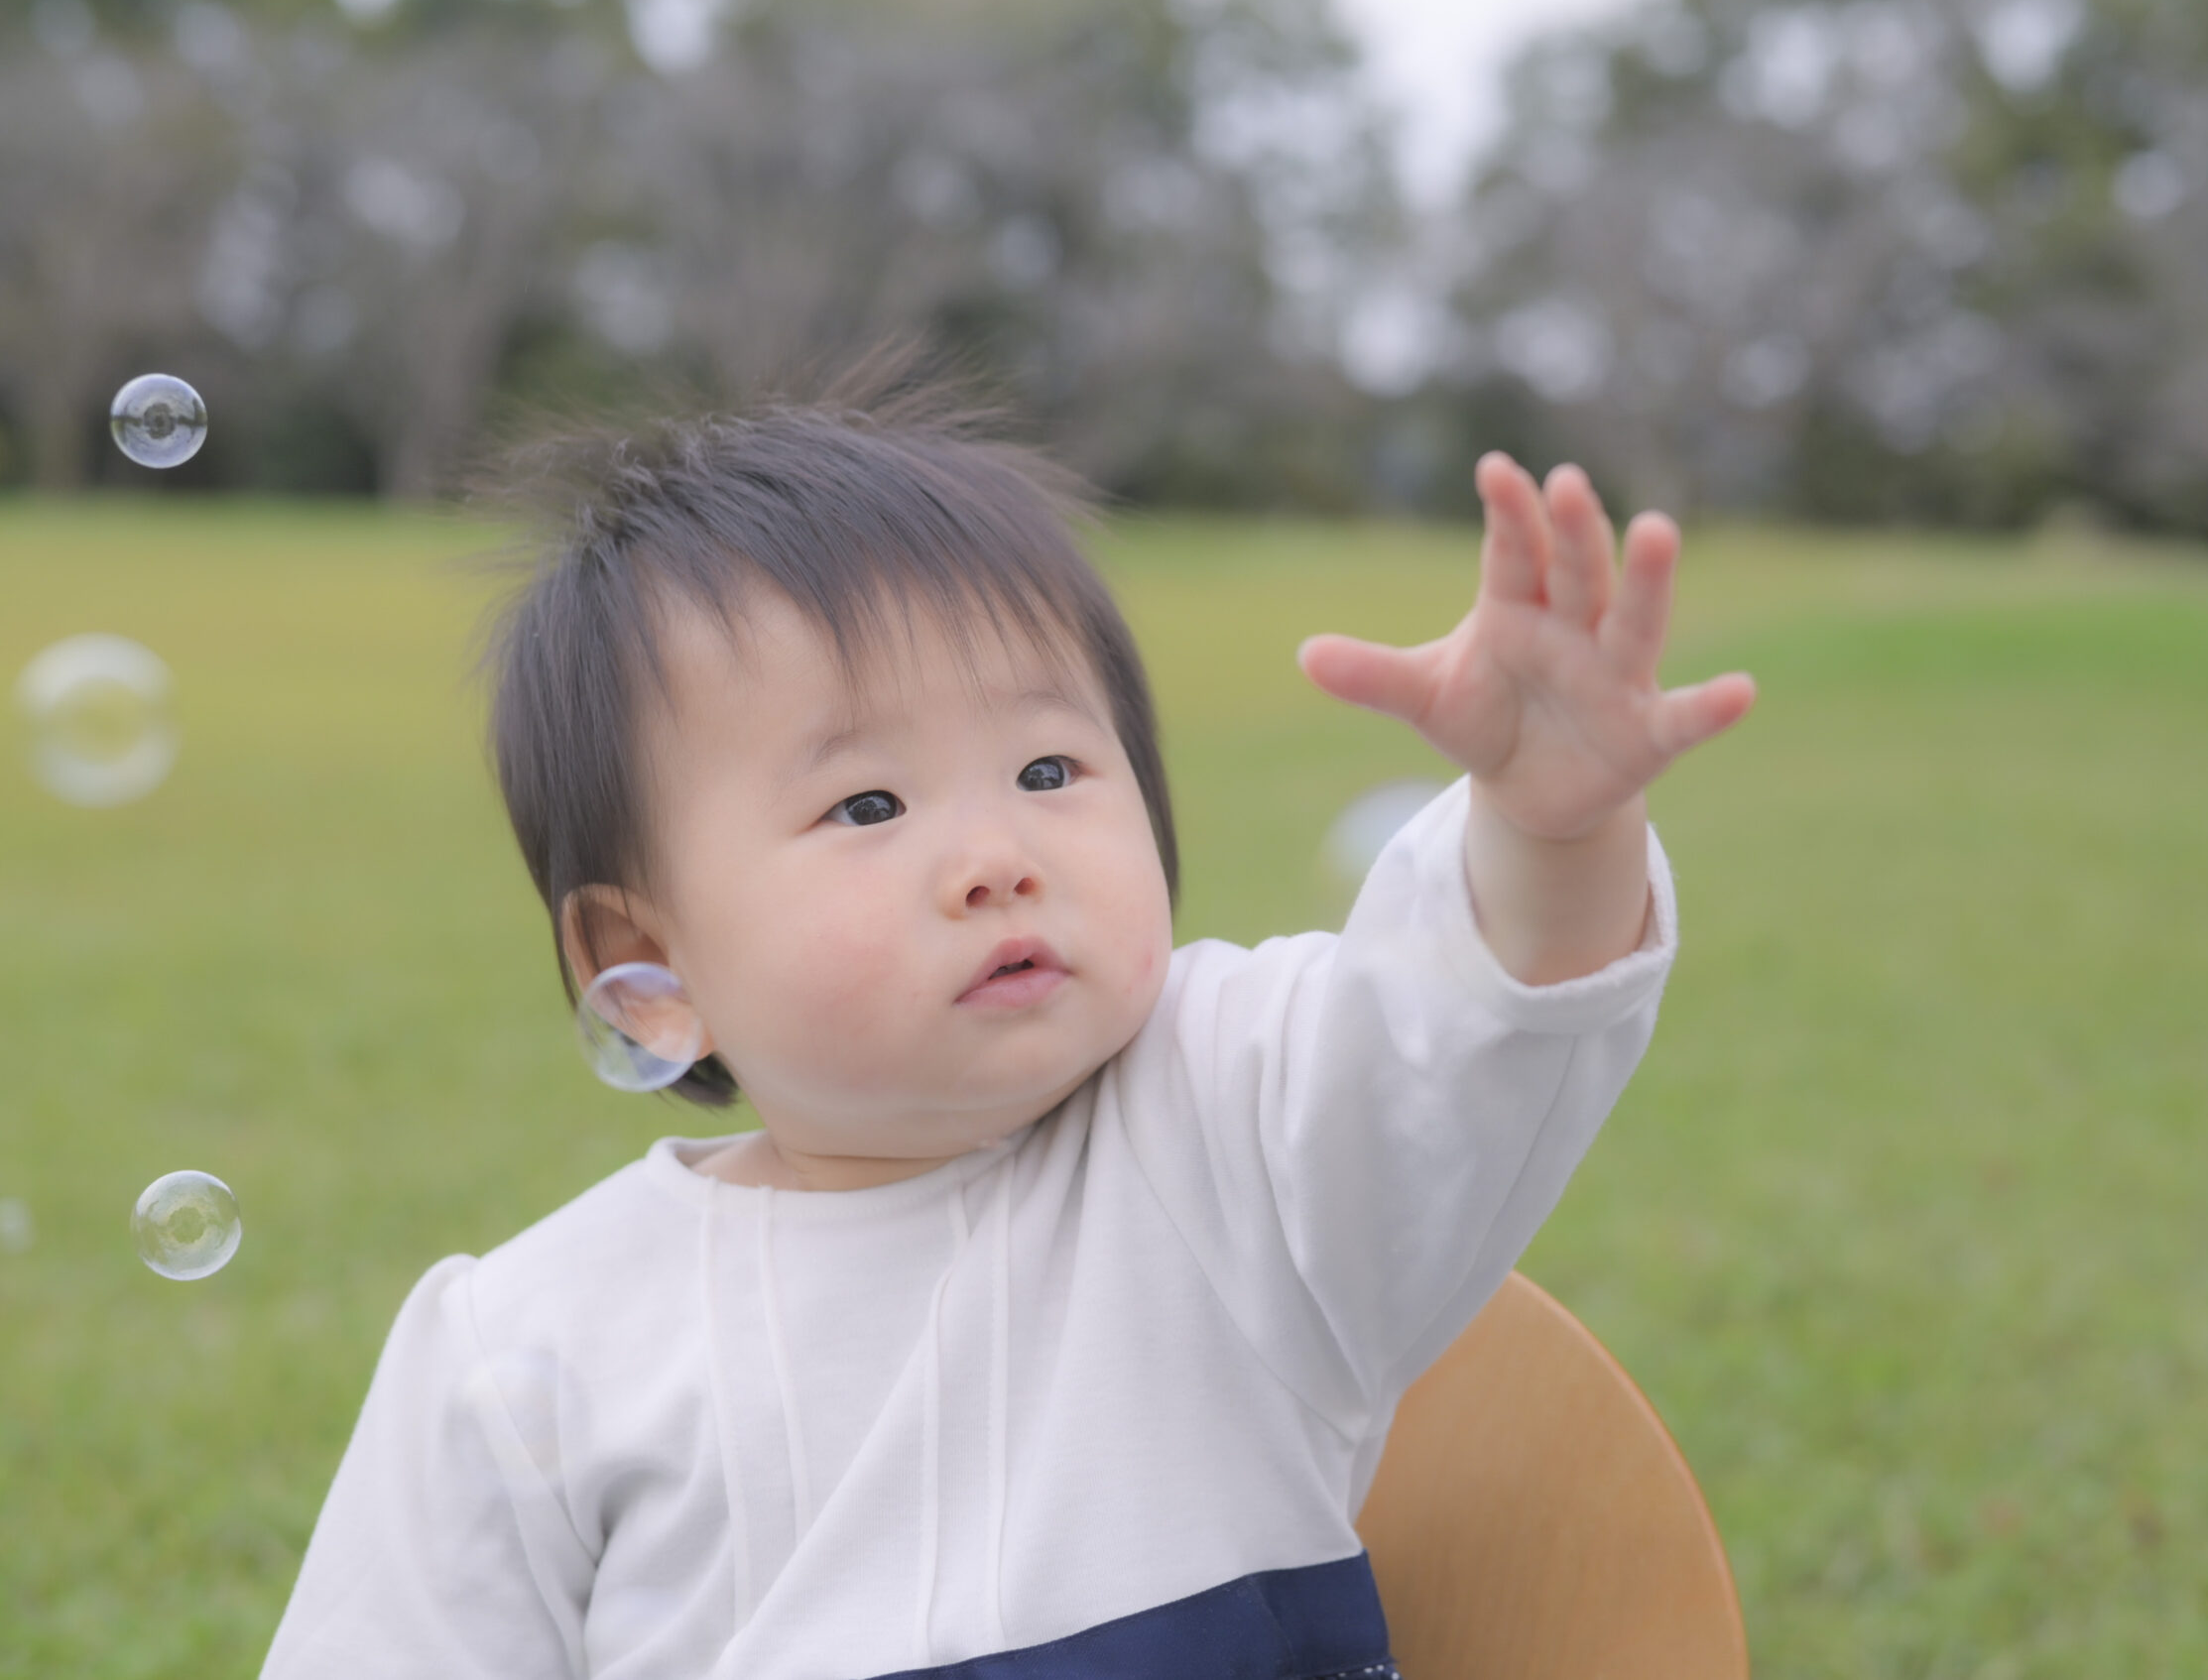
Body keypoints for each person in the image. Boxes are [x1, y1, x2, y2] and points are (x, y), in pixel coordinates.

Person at [259, 360, 1756, 1680]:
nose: (997, 855)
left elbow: (1451, 1046)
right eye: (866, 803)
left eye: (1048, 771)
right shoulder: (525, 1347)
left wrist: (1554, 832)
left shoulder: (1235, 1127)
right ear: (645, 965)